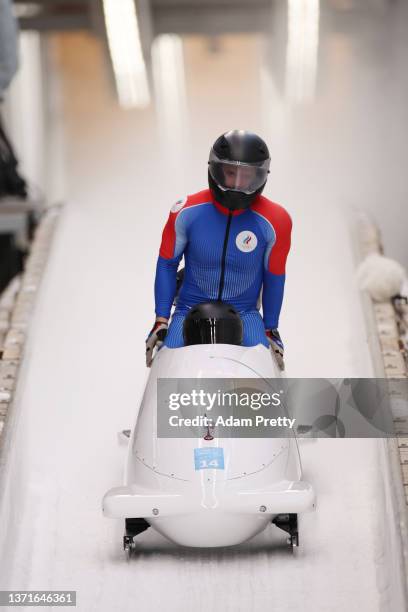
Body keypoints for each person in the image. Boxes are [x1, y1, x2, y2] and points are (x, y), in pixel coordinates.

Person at [146, 130, 292, 369]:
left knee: (267, 363)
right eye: (230, 173)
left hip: (245, 313)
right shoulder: (185, 212)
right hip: (187, 310)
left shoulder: (276, 221)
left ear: (259, 177)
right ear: (216, 169)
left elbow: (275, 276)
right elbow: (167, 263)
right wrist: (161, 320)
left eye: (245, 176)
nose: (236, 183)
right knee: (166, 367)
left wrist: (270, 328)